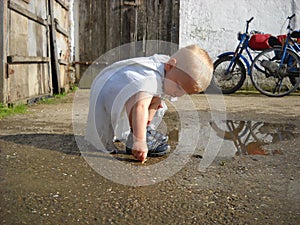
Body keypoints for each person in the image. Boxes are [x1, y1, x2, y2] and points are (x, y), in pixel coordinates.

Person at [85, 44, 213, 163]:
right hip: (108, 89)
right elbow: (140, 107)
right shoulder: (150, 78)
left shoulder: (169, 72)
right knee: (140, 102)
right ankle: (136, 136)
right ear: (170, 66)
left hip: (126, 88)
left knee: (157, 102)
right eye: (179, 87)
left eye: (185, 93)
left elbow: (153, 101)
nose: (179, 94)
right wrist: (140, 142)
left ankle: (142, 130)